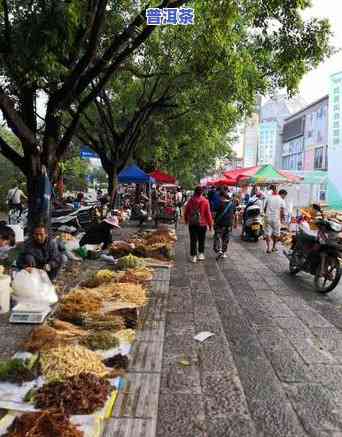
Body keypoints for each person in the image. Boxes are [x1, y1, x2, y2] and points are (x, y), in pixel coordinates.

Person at [184, 186, 213, 263]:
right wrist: (210, 225)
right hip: (202, 224)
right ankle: (201, 254)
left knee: (193, 239)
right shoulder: (205, 201)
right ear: (202, 192)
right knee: (202, 239)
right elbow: (208, 214)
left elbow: (186, 210)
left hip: (192, 223)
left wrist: (186, 219)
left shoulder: (190, 200)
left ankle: (193, 256)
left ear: (195, 192)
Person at [264, 186, 287, 254]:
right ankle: (273, 247)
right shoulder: (281, 199)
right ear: (281, 194)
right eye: (284, 195)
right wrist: (283, 219)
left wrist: (266, 214)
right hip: (276, 219)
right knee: (276, 233)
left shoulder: (268, 197)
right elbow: (282, 211)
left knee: (267, 233)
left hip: (267, 218)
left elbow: (265, 208)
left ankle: (268, 248)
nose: (284, 197)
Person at [213, 191, 235, 260]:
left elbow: (215, 212)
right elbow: (233, 213)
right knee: (225, 238)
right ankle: (224, 252)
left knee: (218, 236)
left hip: (220, 224)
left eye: (220, 197)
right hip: (228, 224)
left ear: (222, 196)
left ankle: (219, 249)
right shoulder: (232, 204)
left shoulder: (219, 203)